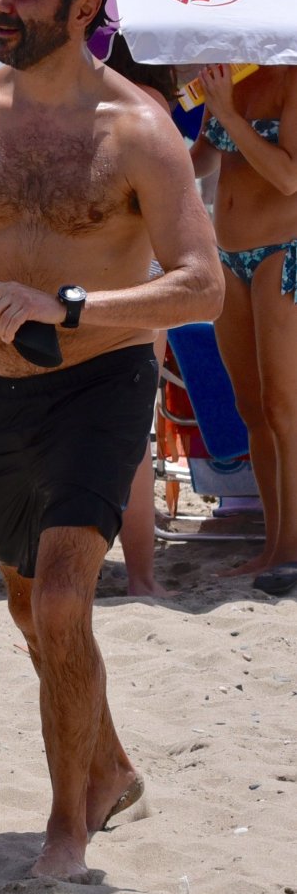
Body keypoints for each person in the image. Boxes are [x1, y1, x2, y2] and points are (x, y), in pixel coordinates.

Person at [0, 0, 223, 883]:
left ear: (84, 9)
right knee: (35, 611)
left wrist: (68, 305)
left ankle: (65, 830)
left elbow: (201, 286)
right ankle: (110, 767)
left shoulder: (137, 129)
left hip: (101, 381)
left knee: (67, 598)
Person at [190, 62, 297, 595]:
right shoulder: (230, 76)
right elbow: (204, 159)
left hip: (284, 248)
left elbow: (288, 177)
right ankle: (273, 545)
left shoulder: (291, 80)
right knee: (252, 407)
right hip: (228, 255)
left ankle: (289, 550)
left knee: (283, 408)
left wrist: (229, 113)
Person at [103, 34, 179, 598]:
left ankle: (132, 571)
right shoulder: (155, 110)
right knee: (133, 431)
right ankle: (141, 577)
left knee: (105, 428)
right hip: (147, 271)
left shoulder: (99, 105)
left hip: (103, 272)